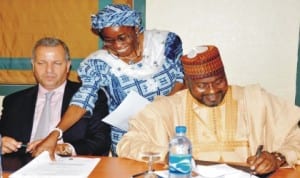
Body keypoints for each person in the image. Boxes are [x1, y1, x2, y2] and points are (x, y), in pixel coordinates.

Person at [117, 45, 300, 175]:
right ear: (187, 83)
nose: (212, 92)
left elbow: (296, 137)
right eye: (202, 86)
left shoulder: (255, 99)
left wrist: (277, 157)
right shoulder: (168, 108)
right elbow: (127, 144)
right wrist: (168, 155)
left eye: (219, 82)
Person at [32, 4, 184, 158]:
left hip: (170, 127)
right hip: (131, 139)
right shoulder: (99, 63)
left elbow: (181, 76)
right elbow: (83, 99)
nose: (117, 45)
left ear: (136, 29)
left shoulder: (165, 44)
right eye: (109, 40)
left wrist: (160, 110)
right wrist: (55, 133)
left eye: (122, 37)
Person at [0, 37, 111, 170]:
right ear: (33, 65)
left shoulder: (90, 96)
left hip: (71, 170)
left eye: (57, 63)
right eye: (42, 63)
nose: (49, 70)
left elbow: (101, 142)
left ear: (68, 65)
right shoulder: (14, 101)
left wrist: (61, 148)